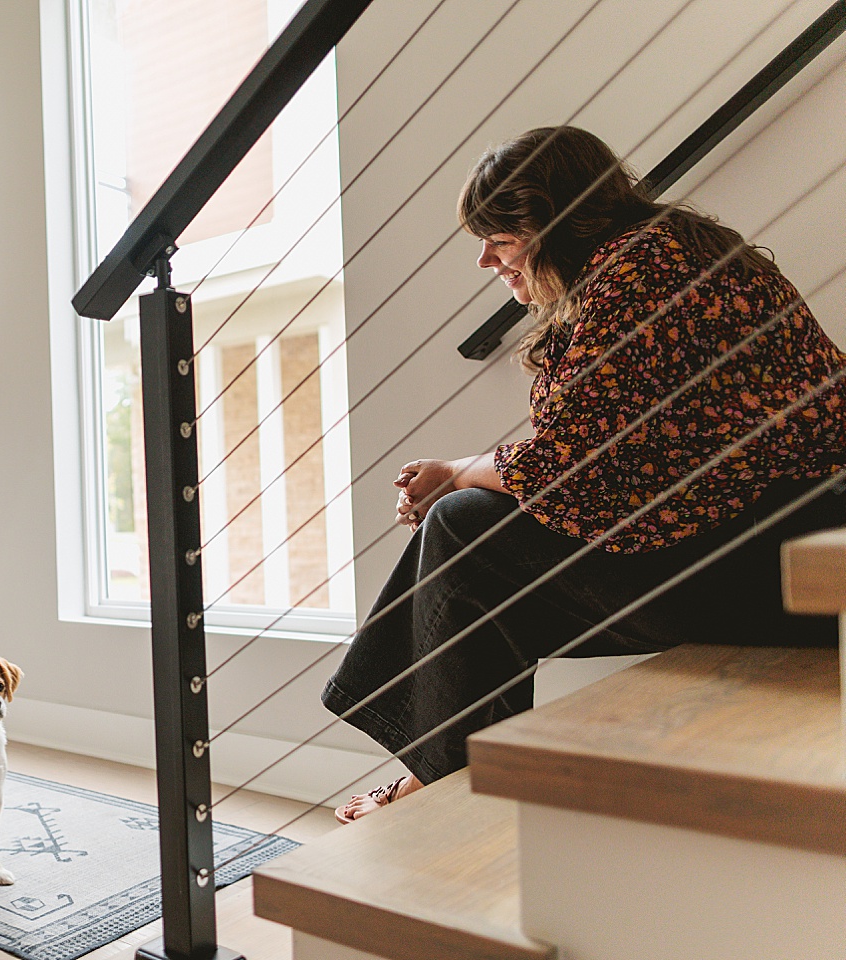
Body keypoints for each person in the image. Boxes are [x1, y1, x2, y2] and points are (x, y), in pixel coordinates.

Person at [322, 126, 846, 823]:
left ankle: (442, 774)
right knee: (474, 546)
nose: (486, 260)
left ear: (555, 224)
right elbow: (613, 462)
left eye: (501, 239)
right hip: (768, 541)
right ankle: (448, 766)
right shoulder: (669, 252)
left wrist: (458, 472)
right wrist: (467, 475)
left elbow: (574, 470)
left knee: (464, 528)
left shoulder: (642, 271)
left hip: (775, 564)